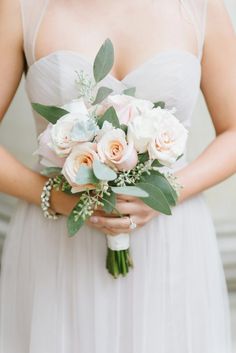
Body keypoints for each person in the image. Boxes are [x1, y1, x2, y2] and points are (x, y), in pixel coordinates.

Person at [0, 0, 235, 352]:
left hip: (171, 240)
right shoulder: (21, 7)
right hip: (58, 243)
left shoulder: (200, 7)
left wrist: (167, 192)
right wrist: (54, 195)